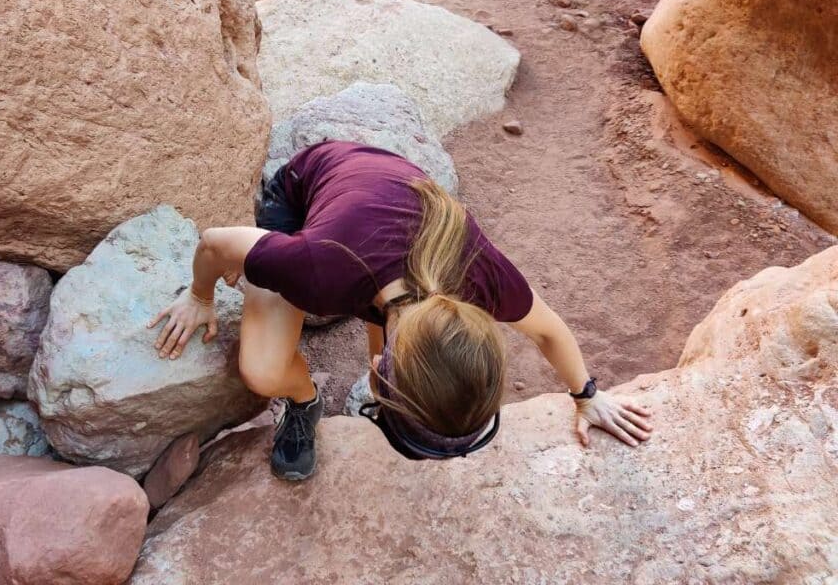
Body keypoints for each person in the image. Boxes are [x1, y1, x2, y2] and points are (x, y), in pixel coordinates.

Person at [151, 141, 652, 480]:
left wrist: (587, 395)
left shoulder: (479, 277)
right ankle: (304, 402)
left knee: (377, 310)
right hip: (308, 189)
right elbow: (217, 244)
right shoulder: (319, 272)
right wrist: (200, 295)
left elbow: (549, 333)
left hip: (381, 202)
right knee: (262, 371)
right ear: (377, 365)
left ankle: (361, 369)